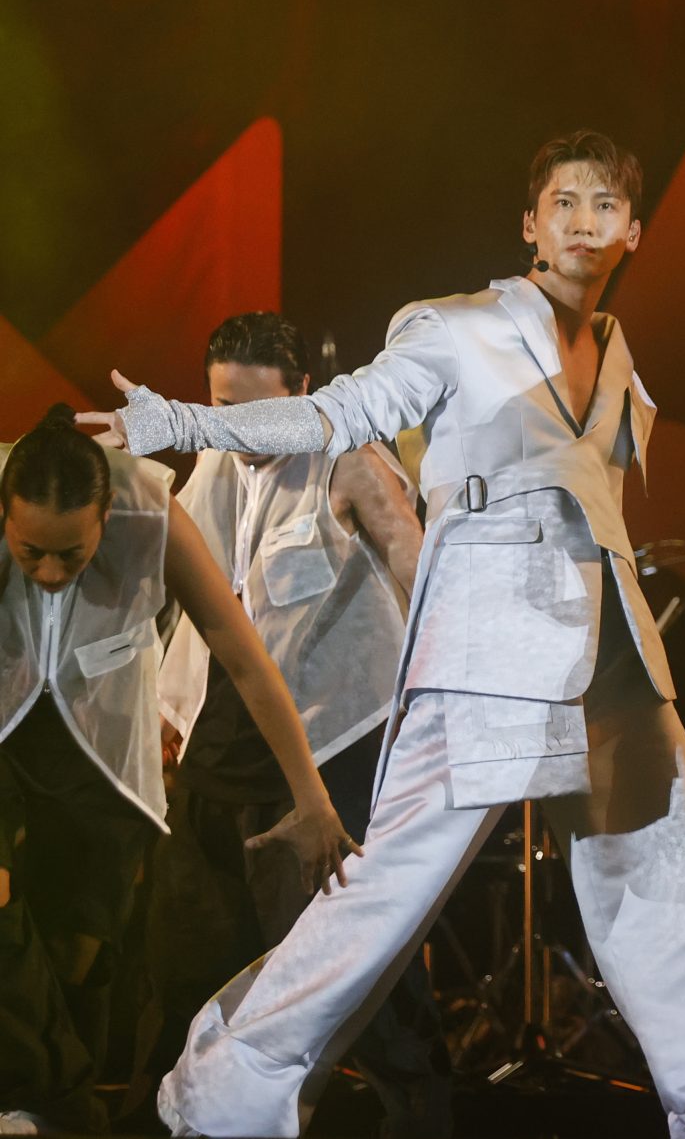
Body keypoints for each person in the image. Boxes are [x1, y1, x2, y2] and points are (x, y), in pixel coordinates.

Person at [82, 129, 685, 1139]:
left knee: (671, 880)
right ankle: (226, 1093)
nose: (584, 222)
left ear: (633, 228)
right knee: (388, 892)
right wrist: (187, 425)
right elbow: (338, 413)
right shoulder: (453, 327)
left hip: (612, 650)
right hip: (487, 648)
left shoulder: (620, 346)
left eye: (604, 205)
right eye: (564, 203)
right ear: (531, 222)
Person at [128, 311, 452, 1136]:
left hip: (332, 748)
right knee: (186, 966)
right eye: (220, 408)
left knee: (353, 977)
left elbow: (424, 582)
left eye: (252, 411)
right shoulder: (213, 465)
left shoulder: (347, 460)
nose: (236, 430)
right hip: (221, 753)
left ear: (301, 394)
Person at [0, 406, 355, 1136]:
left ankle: (49, 1103)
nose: (49, 572)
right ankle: (62, 1108)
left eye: (72, 554)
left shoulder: (150, 508)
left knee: (75, 951)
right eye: (30, 550)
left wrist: (311, 795)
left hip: (100, 740)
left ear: (106, 514)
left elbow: (242, 654)